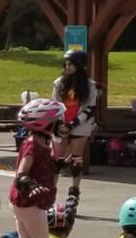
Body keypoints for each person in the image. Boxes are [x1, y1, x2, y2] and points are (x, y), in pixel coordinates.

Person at [4, 98, 69, 238]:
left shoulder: (41, 142)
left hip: (21, 203)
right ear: (44, 122)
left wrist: (60, 164)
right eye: (58, 120)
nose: (62, 123)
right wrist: (31, 184)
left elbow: (45, 166)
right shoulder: (33, 144)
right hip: (30, 203)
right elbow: (22, 173)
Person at [54, 50, 102, 214]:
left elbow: (90, 108)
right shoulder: (59, 83)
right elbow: (55, 105)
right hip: (61, 124)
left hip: (80, 125)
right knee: (57, 161)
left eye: (71, 65)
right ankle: (51, 192)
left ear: (79, 66)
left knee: (76, 159)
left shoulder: (89, 85)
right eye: (66, 64)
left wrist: (72, 124)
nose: (67, 67)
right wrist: (61, 123)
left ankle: (74, 192)